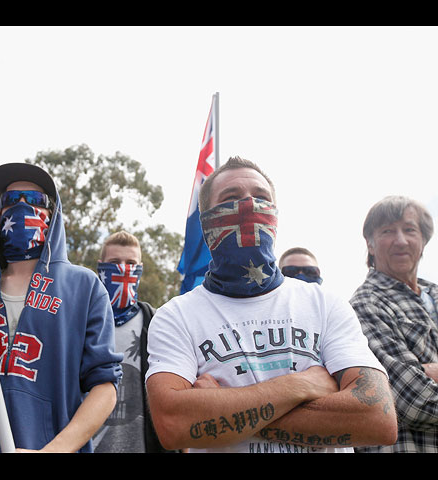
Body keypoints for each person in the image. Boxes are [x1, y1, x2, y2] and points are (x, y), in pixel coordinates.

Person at [145, 156, 397, 453]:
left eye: (261, 197)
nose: (250, 205)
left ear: (275, 215)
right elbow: (174, 424)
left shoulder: (325, 304)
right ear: (207, 221)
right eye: (231, 198)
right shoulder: (175, 316)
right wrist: (302, 386)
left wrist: (219, 414)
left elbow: (377, 418)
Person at [0, 162, 122, 453]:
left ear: (51, 215)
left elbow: (105, 387)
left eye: (35, 201)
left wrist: (53, 451)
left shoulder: (85, 287)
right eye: (10, 200)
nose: (22, 208)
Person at [350, 195, 438, 452]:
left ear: (423, 241)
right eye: (388, 231)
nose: (401, 240)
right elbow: (415, 401)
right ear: (370, 244)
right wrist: (420, 377)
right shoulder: (365, 304)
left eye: (410, 230)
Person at [93, 231, 171, 453]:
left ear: (140, 270)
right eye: (114, 262)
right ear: (101, 267)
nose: (123, 269)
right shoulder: (81, 322)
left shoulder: (156, 324)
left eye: (131, 263)